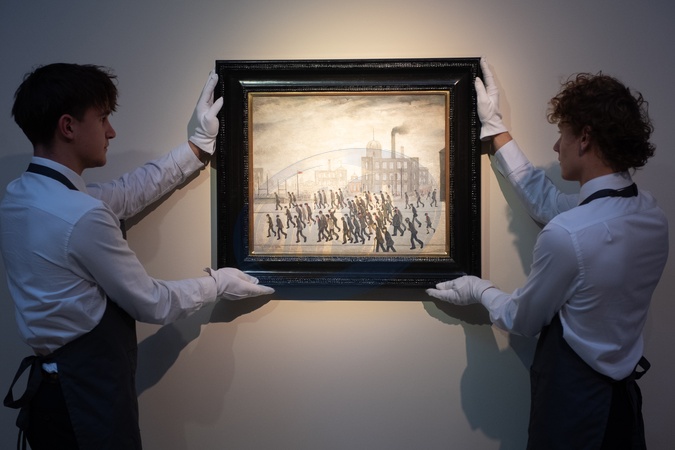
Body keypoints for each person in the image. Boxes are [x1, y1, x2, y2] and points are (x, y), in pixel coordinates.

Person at [0, 63, 275, 450]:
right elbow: (152, 301)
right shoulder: (81, 215)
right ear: (68, 126)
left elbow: (125, 193)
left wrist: (196, 147)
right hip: (87, 406)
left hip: (48, 399)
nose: (111, 131)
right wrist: (217, 284)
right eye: (102, 118)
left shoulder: (20, 195)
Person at [427, 58, 668, 449]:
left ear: (584, 138)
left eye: (562, 134)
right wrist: (497, 130)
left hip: (572, 413)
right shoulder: (651, 214)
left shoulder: (568, 234)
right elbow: (548, 203)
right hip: (623, 411)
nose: (557, 146)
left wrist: (479, 290)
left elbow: (522, 318)